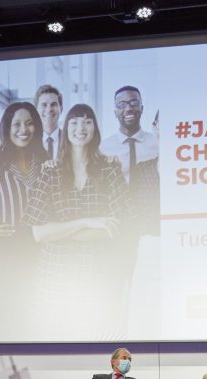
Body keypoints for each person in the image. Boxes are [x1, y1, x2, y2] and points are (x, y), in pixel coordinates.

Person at [25, 103, 130, 333]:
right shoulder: (50, 171)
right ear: (66, 128)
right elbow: (38, 232)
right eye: (74, 122)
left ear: (95, 128)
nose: (80, 127)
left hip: (100, 277)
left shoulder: (110, 169)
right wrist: (88, 222)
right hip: (55, 278)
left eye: (87, 121)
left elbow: (114, 228)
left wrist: (60, 231)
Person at [0, 102, 48, 340]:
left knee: (38, 316)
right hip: (5, 252)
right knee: (8, 317)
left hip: (41, 247)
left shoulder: (44, 160)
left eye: (29, 123)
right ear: (7, 128)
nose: (23, 129)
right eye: (16, 124)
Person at [100, 86, 158, 188]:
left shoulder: (157, 144)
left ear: (142, 108)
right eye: (121, 104)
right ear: (115, 113)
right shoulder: (103, 148)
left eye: (134, 103)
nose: (128, 108)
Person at [34, 84, 63, 160]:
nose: (49, 109)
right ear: (36, 109)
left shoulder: (69, 140)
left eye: (53, 104)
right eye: (44, 105)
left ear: (61, 108)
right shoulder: (30, 141)